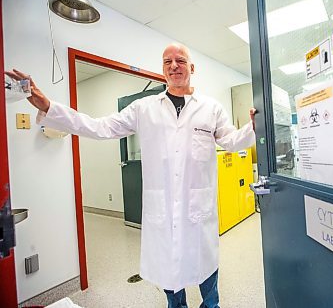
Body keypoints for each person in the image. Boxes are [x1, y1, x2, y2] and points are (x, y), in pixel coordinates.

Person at [6, 43, 256, 308]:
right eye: (167, 61)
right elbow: (99, 127)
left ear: (192, 68)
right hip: (162, 210)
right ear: (162, 69)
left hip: (198, 210)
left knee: (206, 267)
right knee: (169, 273)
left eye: (180, 61)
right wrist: (49, 107)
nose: (174, 66)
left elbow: (231, 140)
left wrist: (253, 126)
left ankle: (211, 305)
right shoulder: (143, 108)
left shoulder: (211, 108)